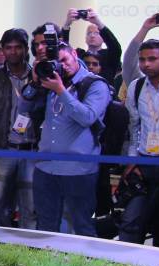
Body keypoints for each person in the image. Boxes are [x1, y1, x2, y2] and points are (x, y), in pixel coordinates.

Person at [18, 43, 110, 237]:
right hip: (46, 166)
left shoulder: (94, 84)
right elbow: (23, 107)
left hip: (79, 168)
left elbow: (87, 117)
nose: (61, 66)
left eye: (64, 60)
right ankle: (47, 257)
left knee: (82, 225)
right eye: (56, 62)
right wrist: (35, 82)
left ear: (74, 54)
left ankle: (84, 258)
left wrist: (61, 91)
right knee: (45, 225)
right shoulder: (50, 82)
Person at [0, 28, 37, 229]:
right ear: (2, 50)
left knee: (30, 207)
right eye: (8, 48)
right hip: (3, 149)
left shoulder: (37, 77)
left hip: (32, 150)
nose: (13, 52)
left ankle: (27, 246)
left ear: (26, 49)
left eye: (18, 47)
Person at [121, 39, 159, 248]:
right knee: (131, 222)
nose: (146, 64)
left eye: (152, 59)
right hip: (145, 163)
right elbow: (134, 127)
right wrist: (133, 159)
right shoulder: (137, 86)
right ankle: (126, 264)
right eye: (142, 60)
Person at [61, 8, 121, 84]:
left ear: (103, 38)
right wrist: (67, 24)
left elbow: (115, 46)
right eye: (89, 33)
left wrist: (98, 22)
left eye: (96, 33)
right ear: (85, 38)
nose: (92, 36)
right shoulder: (78, 55)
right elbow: (63, 50)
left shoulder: (109, 56)